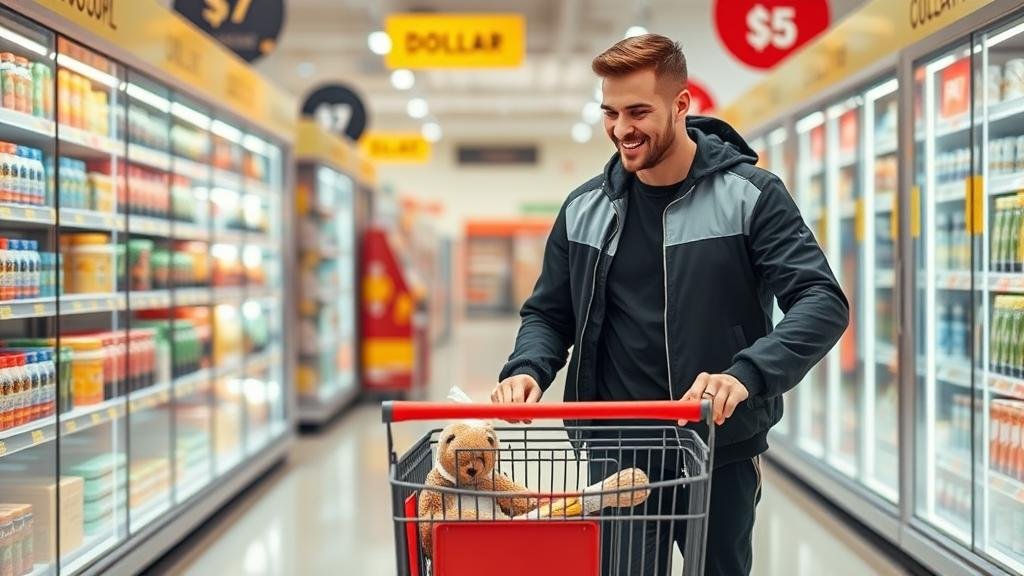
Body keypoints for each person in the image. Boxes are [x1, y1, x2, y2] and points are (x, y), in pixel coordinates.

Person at [490, 34, 849, 575]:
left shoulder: (750, 195)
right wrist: (527, 368)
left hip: (717, 446)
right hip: (616, 449)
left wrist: (746, 374)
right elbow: (549, 313)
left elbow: (822, 301)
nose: (620, 130)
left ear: (681, 105)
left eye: (638, 111)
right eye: (609, 113)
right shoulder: (584, 209)